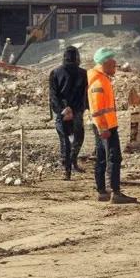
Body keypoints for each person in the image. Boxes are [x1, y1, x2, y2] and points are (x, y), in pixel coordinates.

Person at [88, 48, 136, 204]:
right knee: (114, 158)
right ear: (105, 63)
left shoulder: (101, 78)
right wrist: (103, 128)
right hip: (106, 128)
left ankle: (102, 191)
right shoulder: (99, 81)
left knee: (102, 157)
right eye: (113, 61)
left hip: (104, 126)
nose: (116, 64)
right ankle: (115, 192)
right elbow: (96, 108)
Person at [47, 46, 88, 180]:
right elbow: (85, 95)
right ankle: (71, 163)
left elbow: (53, 95)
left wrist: (62, 109)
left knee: (66, 140)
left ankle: (67, 167)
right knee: (77, 138)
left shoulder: (55, 72)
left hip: (64, 112)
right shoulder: (83, 73)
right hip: (75, 112)